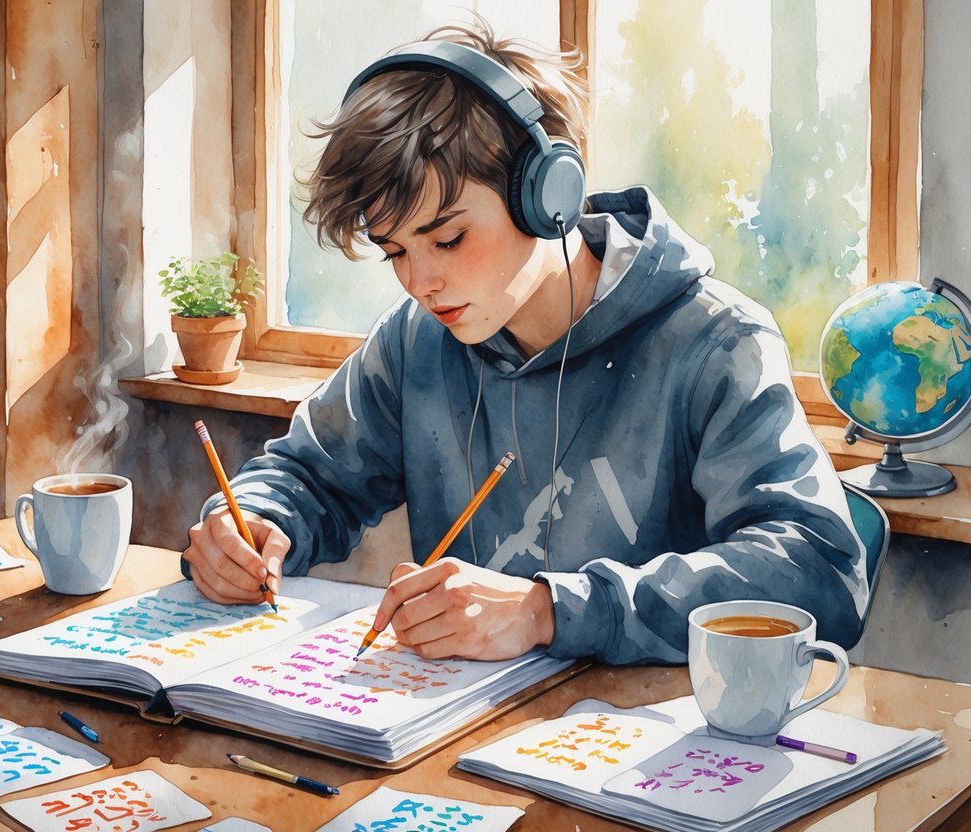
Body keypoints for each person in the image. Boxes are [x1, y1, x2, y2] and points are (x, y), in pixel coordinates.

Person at [182, 20, 867, 665]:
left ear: (548, 197)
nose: (419, 281)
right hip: (456, 739)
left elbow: (818, 569)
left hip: (652, 756)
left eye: (447, 238)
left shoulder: (715, 343)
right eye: (394, 251)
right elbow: (306, 475)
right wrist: (248, 525)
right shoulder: (417, 341)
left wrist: (548, 610)